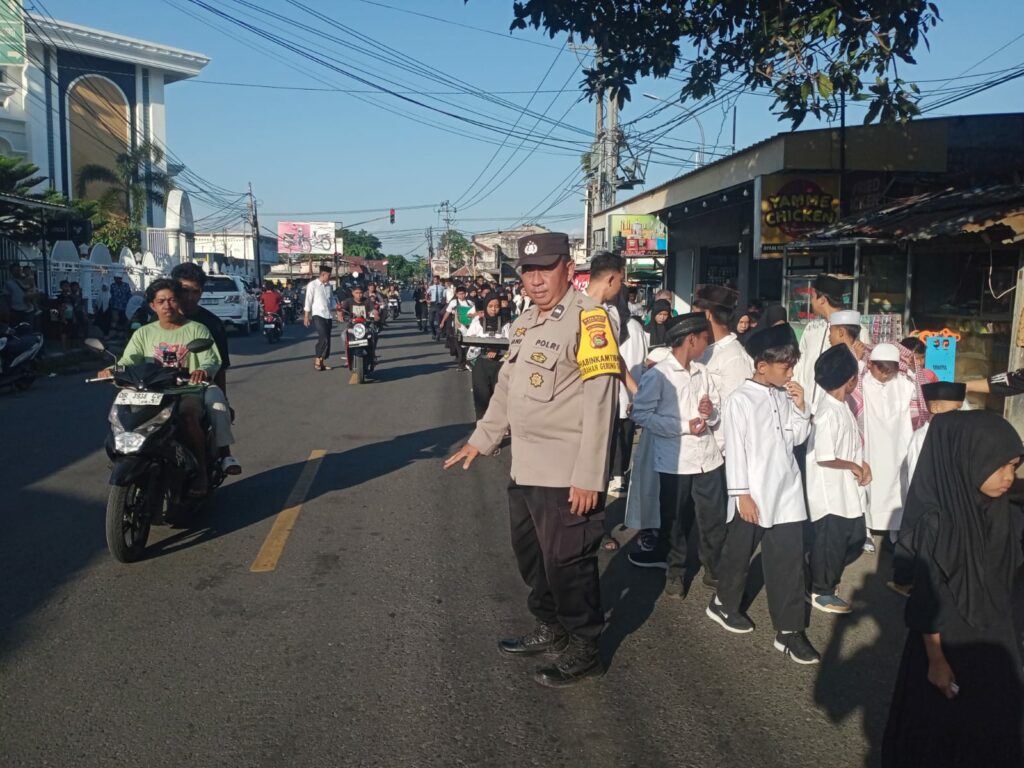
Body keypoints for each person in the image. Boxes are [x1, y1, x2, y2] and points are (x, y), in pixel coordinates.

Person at [444, 232, 618, 688]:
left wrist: (589, 477)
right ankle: (552, 626)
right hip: (526, 467)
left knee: (568, 562)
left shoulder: (591, 321)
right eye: (528, 270)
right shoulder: (524, 323)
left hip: (567, 471)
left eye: (544, 269)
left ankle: (584, 646)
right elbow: (506, 391)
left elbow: (602, 403)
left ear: (567, 268)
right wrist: (480, 439)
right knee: (532, 555)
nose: (535, 280)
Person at [881, 411, 1024, 768]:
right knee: (940, 734)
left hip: (995, 639)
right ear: (968, 460)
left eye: (1015, 466)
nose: (1009, 477)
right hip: (948, 647)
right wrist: (936, 661)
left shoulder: (1004, 512)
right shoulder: (939, 522)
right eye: (1001, 466)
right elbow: (927, 603)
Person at [707, 323, 820, 665]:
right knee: (738, 555)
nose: (791, 372)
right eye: (786, 366)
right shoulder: (740, 399)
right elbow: (737, 449)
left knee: (788, 562)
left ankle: (789, 632)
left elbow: (796, 438)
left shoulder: (785, 395)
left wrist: (801, 409)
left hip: (786, 490)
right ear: (762, 366)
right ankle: (723, 604)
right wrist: (741, 493)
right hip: (752, 492)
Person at [629, 312, 726, 596]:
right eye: (705, 339)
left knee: (713, 517)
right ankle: (676, 571)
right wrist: (684, 427)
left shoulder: (702, 372)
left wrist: (709, 413)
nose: (706, 345)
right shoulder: (660, 374)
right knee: (675, 518)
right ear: (691, 339)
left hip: (707, 457)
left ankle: (714, 569)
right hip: (675, 459)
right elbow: (642, 415)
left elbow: (715, 407)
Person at [97, 279, 222, 495]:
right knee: (123, 417)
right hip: (149, 393)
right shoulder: (143, 333)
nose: (167, 306)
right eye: (161, 301)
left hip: (185, 391)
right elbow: (129, 359)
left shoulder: (197, 330)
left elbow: (210, 360)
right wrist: (111, 369)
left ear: (179, 302)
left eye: (172, 300)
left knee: (188, 416)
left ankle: (201, 472)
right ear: (153, 305)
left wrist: (202, 371)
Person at [806, 344, 869, 614]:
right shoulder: (828, 412)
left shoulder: (841, 406)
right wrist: (853, 464)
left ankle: (819, 576)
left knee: (854, 539)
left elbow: (849, 445)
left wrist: (861, 463)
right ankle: (821, 590)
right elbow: (824, 456)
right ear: (850, 379)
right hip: (828, 491)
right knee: (832, 543)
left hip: (845, 487)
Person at [889, 381, 967, 596]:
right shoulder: (921, 437)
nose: (959, 413)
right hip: (923, 501)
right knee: (914, 542)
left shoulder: (956, 435)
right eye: (956, 408)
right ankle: (903, 582)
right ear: (936, 408)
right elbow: (915, 473)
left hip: (945, 502)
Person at [170, 262, 242, 476]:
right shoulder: (152, 320)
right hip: (156, 386)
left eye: (196, 292)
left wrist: (225, 401)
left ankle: (223, 454)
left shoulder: (210, 324)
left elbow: (219, 367)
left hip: (197, 387)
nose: (190, 297)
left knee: (212, 409)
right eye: (184, 291)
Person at [850, 343, 918, 554]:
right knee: (868, 485)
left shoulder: (903, 382)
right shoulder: (863, 382)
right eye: (882, 369)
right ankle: (866, 529)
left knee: (898, 486)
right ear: (871, 364)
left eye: (891, 370)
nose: (886, 375)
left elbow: (919, 394)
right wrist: (860, 362)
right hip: (871, 444)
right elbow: (851, 388)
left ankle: (895, 530)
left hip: (899, 444)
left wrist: (911, 370)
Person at [792, 273, 868, 406]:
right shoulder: (812, 328)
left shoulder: (857, 330)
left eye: (813, 297)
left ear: (821, 300)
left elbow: (862, 375)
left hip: (835, 409)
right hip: (806, 406)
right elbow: (800, 364)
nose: (811, 301)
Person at [466, 295, 510, 419]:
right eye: (490, 306)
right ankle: (482, 423)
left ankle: (500, 424)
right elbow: (469, 338)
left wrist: (497, 349)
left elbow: (510, 342)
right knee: (482, 395)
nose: (493, 309)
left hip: (500, 364)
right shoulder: (478, 322)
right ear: (485, 307)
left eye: (496, 306)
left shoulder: (506, 323)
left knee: (499, 395)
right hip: (481, 363)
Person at [304, 264, 339, 371]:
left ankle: (322, 362)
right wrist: (306, 316)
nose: (330, 277)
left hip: (328, 315)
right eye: (329, 275)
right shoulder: (312, 285)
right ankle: (317, 360)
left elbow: (331, 300)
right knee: (323, 337)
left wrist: (337, 307)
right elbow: (308, 300)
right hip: (318, 315)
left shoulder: (329, 286)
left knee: (327, 340)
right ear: (323, 274)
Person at [340, 285, 379, 374]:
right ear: (353, 293)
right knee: (343, 335)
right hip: (352, 327)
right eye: (357, 293)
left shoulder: (367, 301)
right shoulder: (348, 301)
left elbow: (374, 309)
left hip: (365, 326)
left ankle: (372, 355)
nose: (359, 295)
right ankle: (347, 355)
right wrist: (340, 315)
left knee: (374, 334)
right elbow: (341, 310)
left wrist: (376, 315)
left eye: (360, 293)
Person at [441, 284, 474, 371]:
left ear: (466, 294)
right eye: (459, 294)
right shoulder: (453, 303)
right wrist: (442, 322)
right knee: (459, 346)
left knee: (468, 346)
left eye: (463, 293)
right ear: (456, 294)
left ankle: (468, 362)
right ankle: (461, 364)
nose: (461, 295)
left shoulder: (470, 303)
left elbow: (475, 314)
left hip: (468, 327)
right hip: (457, 327)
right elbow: (447, 313)